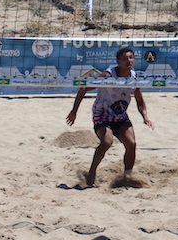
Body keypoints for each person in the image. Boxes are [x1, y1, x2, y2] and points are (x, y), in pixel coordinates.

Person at [65, 46, 154, 187]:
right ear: (118, 61)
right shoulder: (107, 75)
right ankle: (92, 171)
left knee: (131, 144)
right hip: (103, 114)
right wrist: (74, 111)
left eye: (131, 58)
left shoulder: (134, 77)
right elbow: (84, 88)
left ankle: (127, 176)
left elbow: (140, 101)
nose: (129, 61)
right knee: (107, 142)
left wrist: (145, 117)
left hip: (120, 115)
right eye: (125, 59)